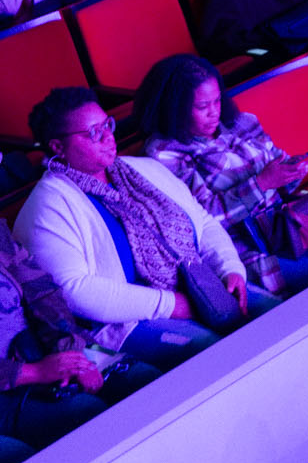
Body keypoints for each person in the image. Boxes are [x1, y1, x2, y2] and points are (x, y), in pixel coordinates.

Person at [16, 87, 272, 369]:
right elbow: (74, 290)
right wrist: (170, 304)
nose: (107, 137)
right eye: (93, 132)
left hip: (200, 285)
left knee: (271, 315)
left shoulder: (143, 169)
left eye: (107, 125)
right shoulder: (47, 206)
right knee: (211, 353)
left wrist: (230, 268)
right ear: (57, 147)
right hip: (127, 322)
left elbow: (203, 222)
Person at [136, 54, 308, 297]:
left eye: (217, 101)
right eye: (202, 106)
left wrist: (292, 171)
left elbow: (280, 173)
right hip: (246, 249)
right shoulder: (164, 154)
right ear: (174, 109)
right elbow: (204, 220)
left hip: (288, 229)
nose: (214, 113)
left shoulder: (242, 123)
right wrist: (262, 182)